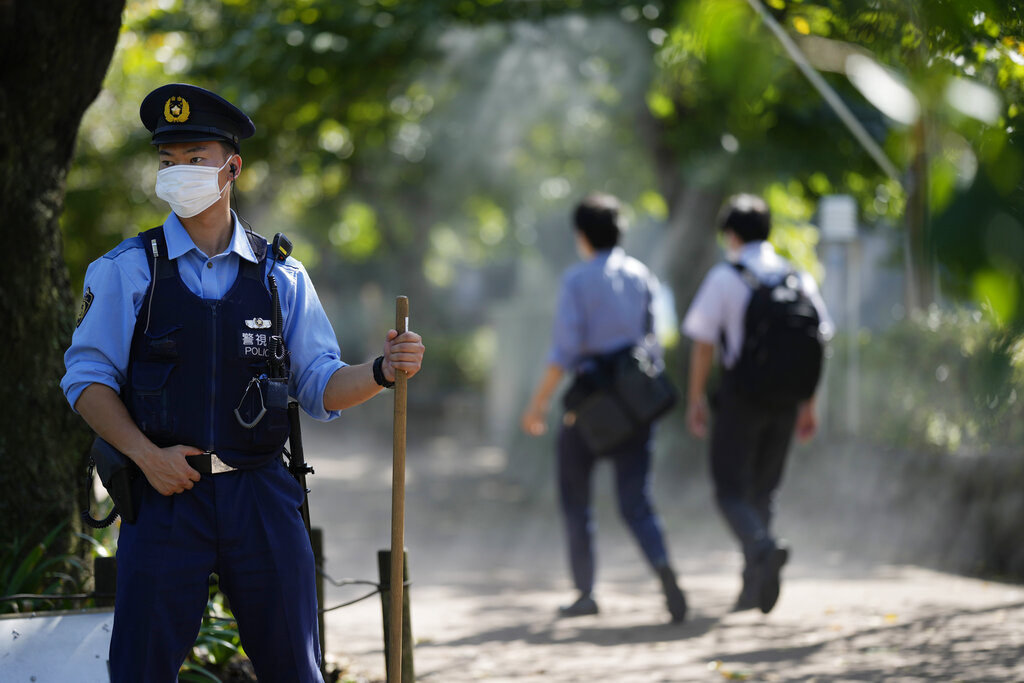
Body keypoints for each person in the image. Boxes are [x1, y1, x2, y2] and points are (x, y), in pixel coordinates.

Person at [61, 83, 425, 682]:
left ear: (232, 167)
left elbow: (320, 384)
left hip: (261, 497)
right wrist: (146, 457)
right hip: (163, 498)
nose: (178, 172)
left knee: (294, 669)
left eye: (194, 158)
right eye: (166, 161)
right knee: (140, 670)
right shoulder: (126, 270)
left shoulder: (281, 274)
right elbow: (87, 381)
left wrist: (384, 371)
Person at [521, 192, 687, 623]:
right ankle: (664, 568)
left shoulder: (577, 280)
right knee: (637, 502)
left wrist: (537, 407)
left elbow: (564, 352)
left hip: (592, 407)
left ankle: (586, 592)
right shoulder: (642, 275)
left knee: (576, 499)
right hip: (635, 403)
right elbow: (654, 344)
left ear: (582, 236)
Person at [681, 193, 831, 614]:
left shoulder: (725, 277)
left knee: (729, 491)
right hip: (786, 400)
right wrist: (809, 404)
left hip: (741, 397)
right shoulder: (797, 278)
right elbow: (818, 340)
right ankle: (752, 587)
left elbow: (704, 344)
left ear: (730, 234)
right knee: (763, 492)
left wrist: (695, 399)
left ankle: (762, 549)